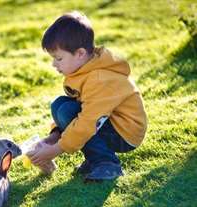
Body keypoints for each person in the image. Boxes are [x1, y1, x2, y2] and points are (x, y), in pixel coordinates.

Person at [27, 11, 147, 181]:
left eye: (59, 58)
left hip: (125, 132)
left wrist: (56, 149)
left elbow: (88, 121)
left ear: (80, 53)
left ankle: (107, 163)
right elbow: (82, 108)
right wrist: (53, 136)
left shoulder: (99, 79)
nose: (54, 64)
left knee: (67, 112)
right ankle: (94, 159)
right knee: (60, 106)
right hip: (109, 122)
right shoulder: (84, 69)